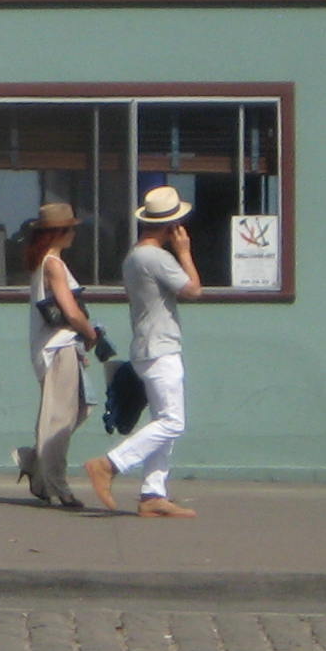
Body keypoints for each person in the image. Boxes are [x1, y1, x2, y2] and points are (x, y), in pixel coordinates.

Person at [88, 186, 205, 519]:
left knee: (161, 420)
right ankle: (109, 465)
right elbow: (194, 289)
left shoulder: (134, 256)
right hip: (160, 348)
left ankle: (153, 494)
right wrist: (185, 252)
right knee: (172, 422)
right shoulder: (157, 257)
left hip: (146, 346)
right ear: (172, 226)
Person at [11, 200, 93, 511]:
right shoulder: (53, 265)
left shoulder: (45, 262)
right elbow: (70, 312)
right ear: (58, 232)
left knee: (78, 410)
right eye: (69, 229)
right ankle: (57, 485)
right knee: (59, 418)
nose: (73, 234)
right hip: (58, 348)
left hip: (60, 347)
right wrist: (89, 332)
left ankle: (36, 462)